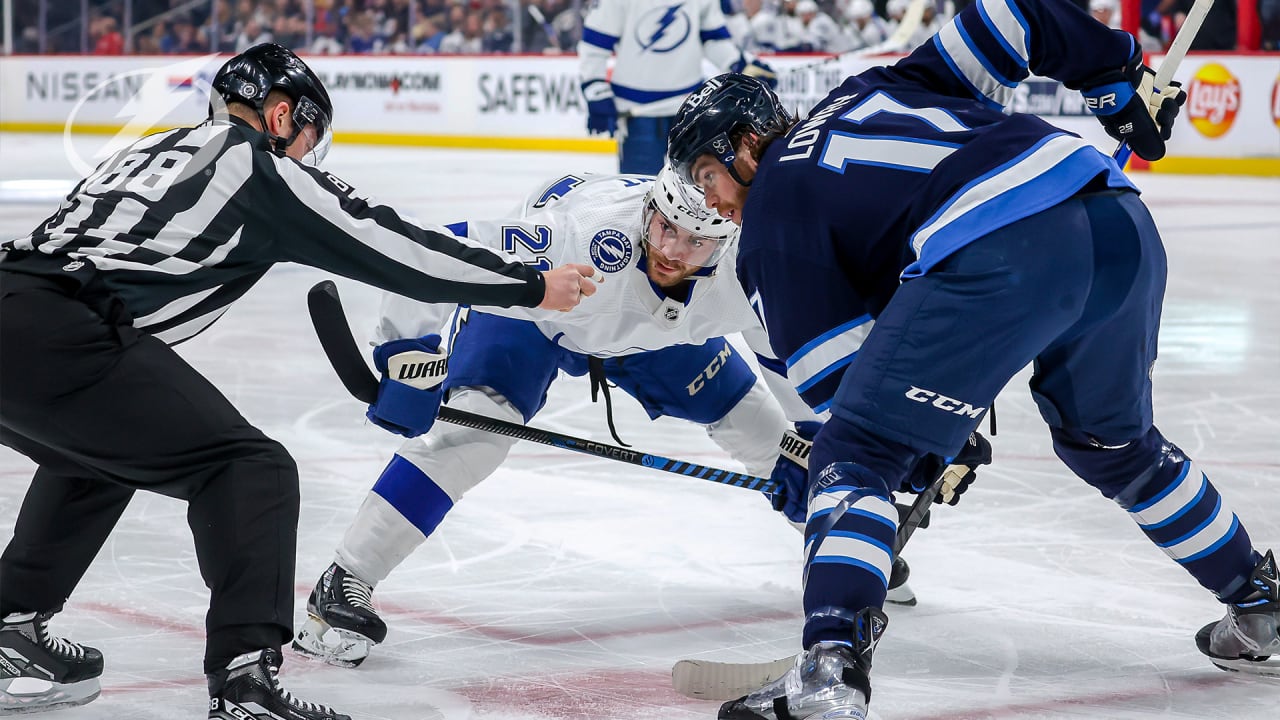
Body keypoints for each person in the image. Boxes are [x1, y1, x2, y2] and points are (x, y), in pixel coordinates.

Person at [665, 0, 1277, 716]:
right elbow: (1011, 15)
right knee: (1112, 444)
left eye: (707, 179)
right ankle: (1258, 598)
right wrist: (1115, 77)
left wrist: (927, 446)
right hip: (1119, 222)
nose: (716, 208)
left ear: (744, 146)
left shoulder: (772, 214)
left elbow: (841, 392)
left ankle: (829, 671)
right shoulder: (870, 88)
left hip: (1005, 253)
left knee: (855, 454)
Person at [0, 43, 595, 720]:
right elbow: (390, 243)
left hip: (19, 307)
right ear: (280, 116)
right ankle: (245, 681)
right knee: (250, 469)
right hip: (64, 330)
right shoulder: (258, 168)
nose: (309, 160)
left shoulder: (153, 149)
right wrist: (529, 286)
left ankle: (10, 628)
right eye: (307, 139)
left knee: (98, 452)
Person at [291, 168, 979, 667]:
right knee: (468, 435)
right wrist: (407, 349)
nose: (673, 251)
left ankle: (844, 543)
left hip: (660, 338)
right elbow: (440, 246)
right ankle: (344, 580)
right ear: (650, 208)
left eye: (695, 242)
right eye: (665, 228)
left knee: (772, 438)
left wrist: (882, 434)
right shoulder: (575, 236)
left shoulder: (747, 268)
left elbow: (805, 361)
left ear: (725, 241)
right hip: (547, 312)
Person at [577, 0, 778, 175]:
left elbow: (713, 39)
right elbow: (594, 46)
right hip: (638, 114)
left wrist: (739, 65)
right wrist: (596, 91)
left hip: (690, 110)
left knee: (698, 193)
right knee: (642, 191)